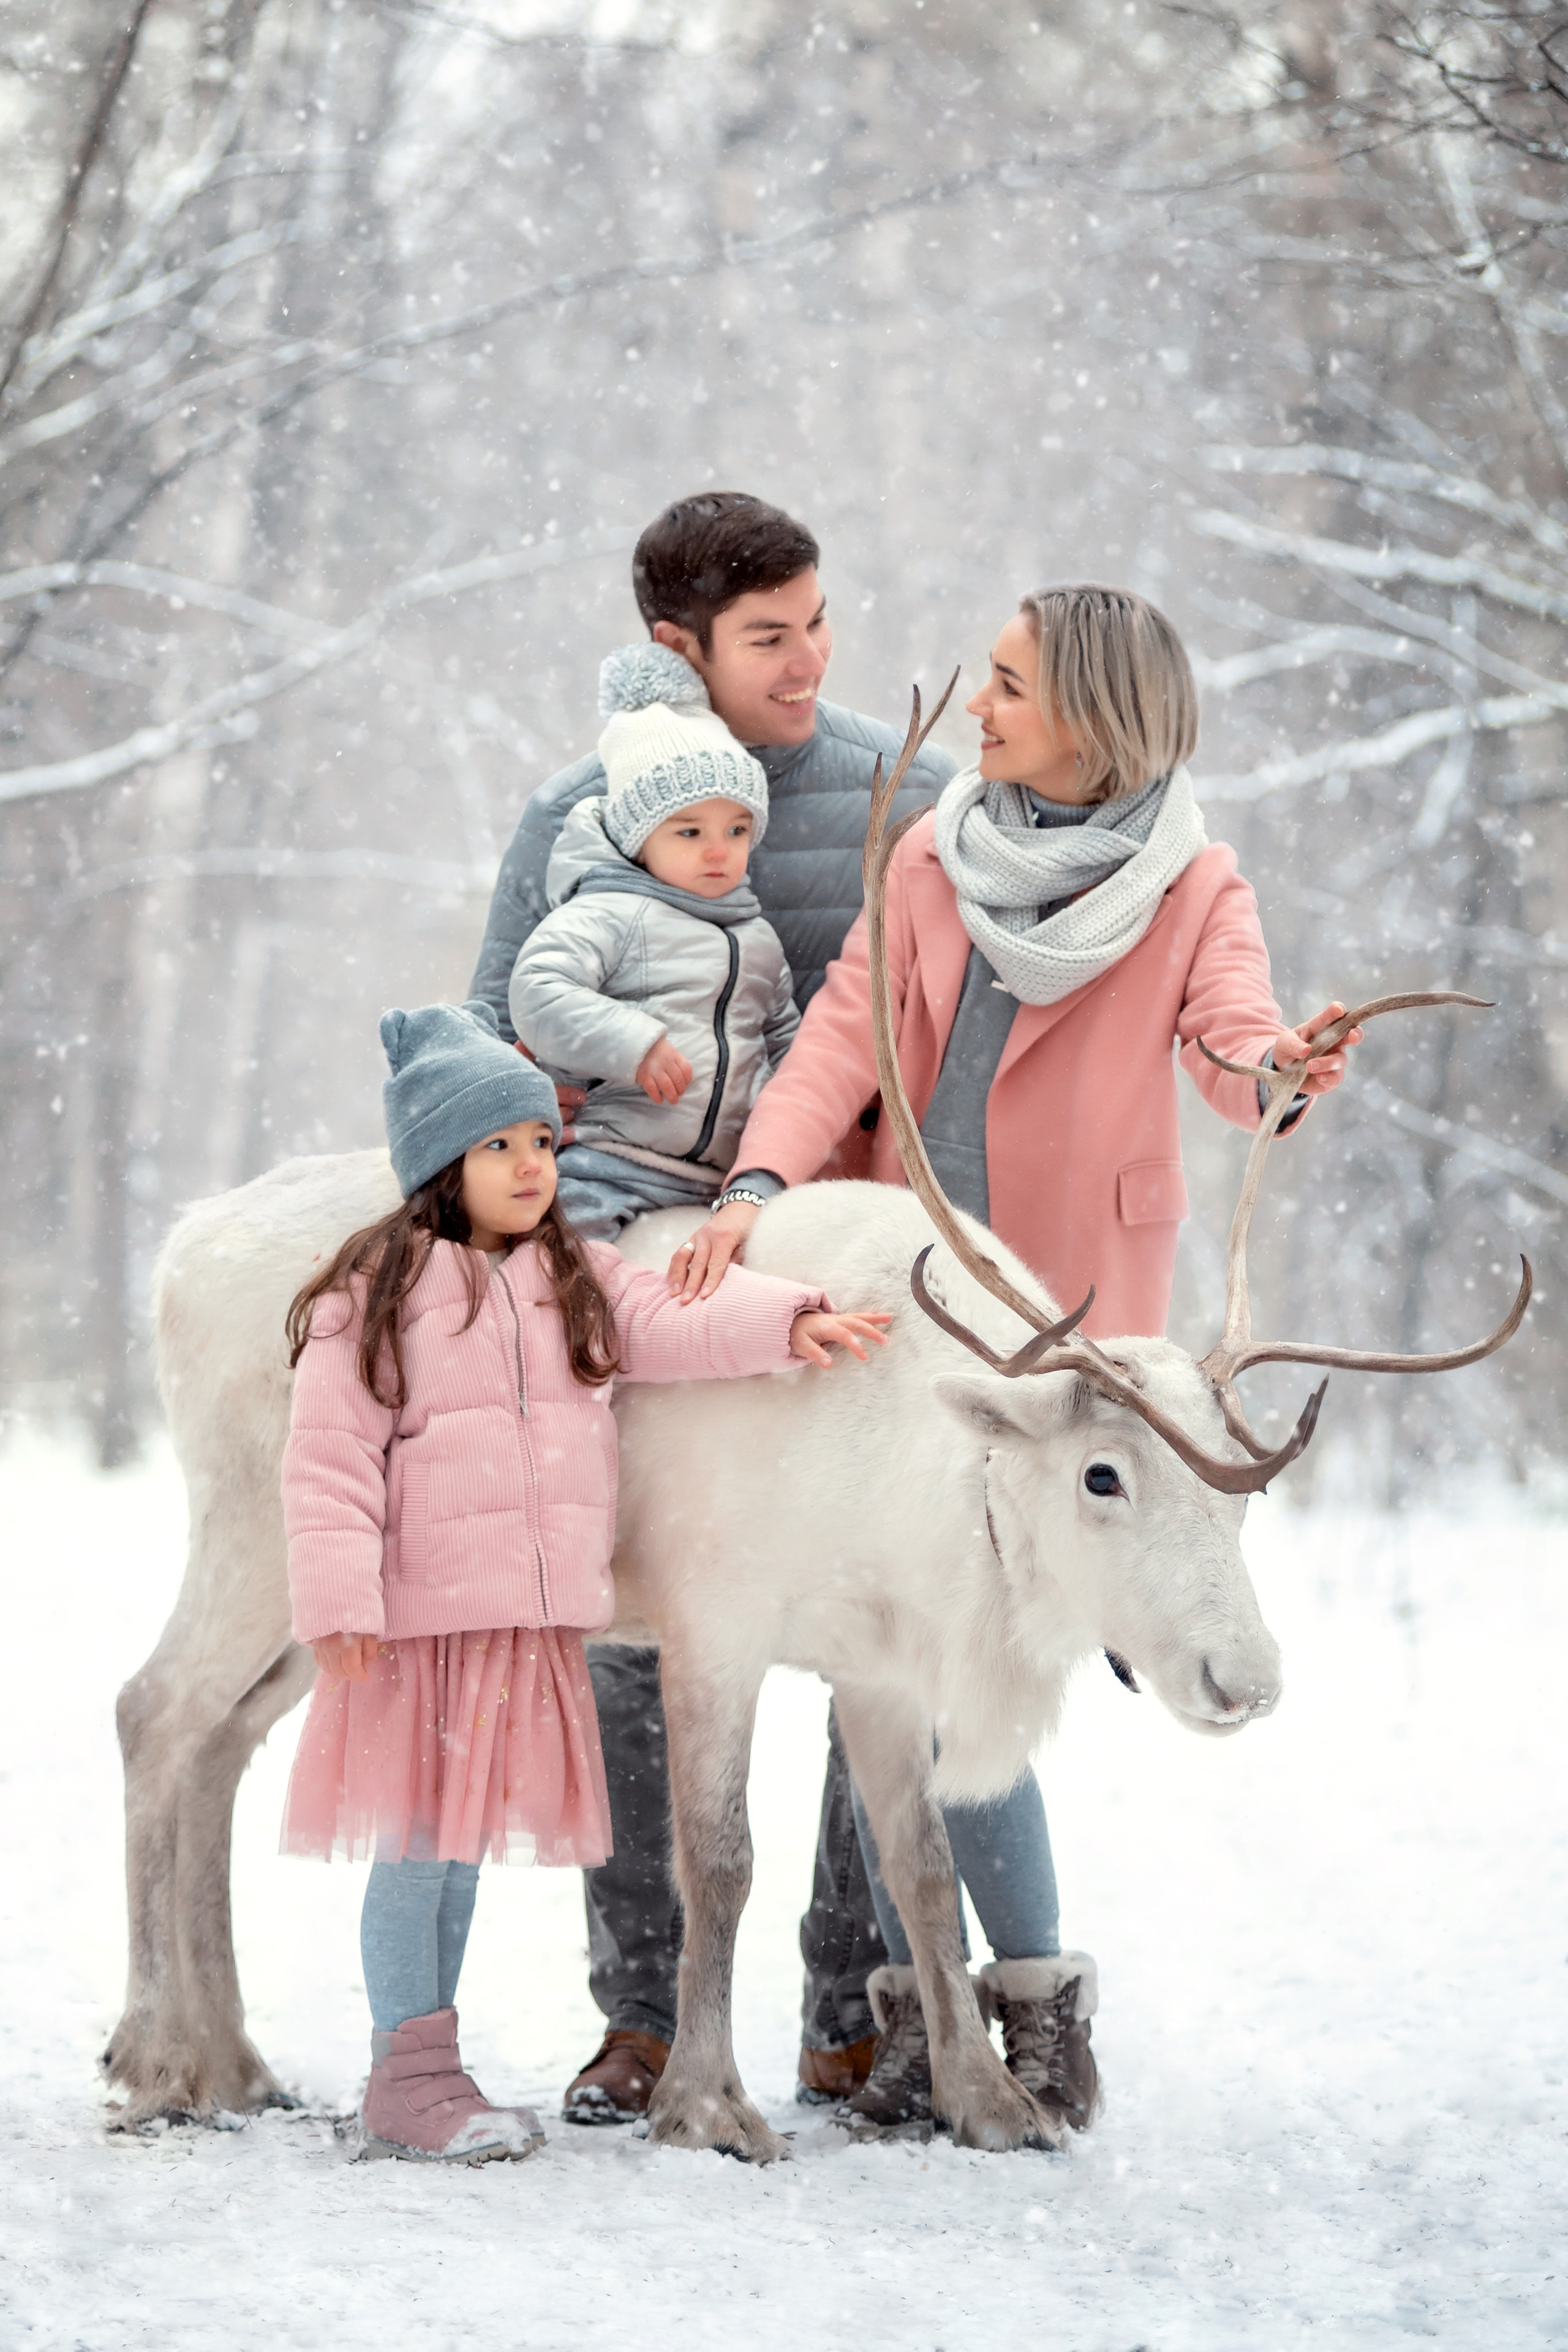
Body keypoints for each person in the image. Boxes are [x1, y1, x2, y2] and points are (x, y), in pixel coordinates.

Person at [673, 582, 1363, 2138]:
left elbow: (1229, 1040)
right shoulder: (930, 850)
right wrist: (762, 1184)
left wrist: (1279, 1074)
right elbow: (843, 1033)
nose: (974, 709)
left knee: (973, 1670)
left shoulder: (1193, 884)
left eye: (1005, 687)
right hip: (907, 1307)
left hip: (1061, 1331)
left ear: (1094, 723)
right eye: (981, 681)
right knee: (886, 1657)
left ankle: (1032, 2010)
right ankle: (892, 2020)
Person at [470, 491, 954, 2121]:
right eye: (770, 637)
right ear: (675, 647)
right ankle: (650, 2013)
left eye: (822, 620)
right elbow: (491, 1044)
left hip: (842, 1273)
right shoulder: (577, 813)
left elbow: (955, 1020)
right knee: (638, 1641)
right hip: (637, 1268)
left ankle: (849, 1999)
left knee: (874, 1632)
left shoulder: (910, 795)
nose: (812, 660)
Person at [278, 998, 887, 2162]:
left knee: (453, 1857)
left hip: (514, 1626)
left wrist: (792, 1319)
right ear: (439, 1164)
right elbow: (329, 1463)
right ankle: (407, 2079)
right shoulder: (374, 1296)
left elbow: (677, 1320)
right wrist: (341, 1603)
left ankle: (427, 2072)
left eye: (542, 1144)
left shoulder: (576, 1278)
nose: (528, 1167)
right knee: (419, 1854)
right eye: (497, 1146)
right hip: (416, 1628)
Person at [508, 641, 799, 1239]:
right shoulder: (610, 913)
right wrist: (634, 1044)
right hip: (611, 1162)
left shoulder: (759, 939)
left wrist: (790, 1113)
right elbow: (538, 988)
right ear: (641, 840)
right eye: (689, 831)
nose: (719, 850)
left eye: (737, 828)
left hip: (720, 1184)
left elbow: (784, 1038)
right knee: (573, 1283)